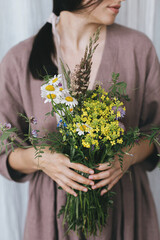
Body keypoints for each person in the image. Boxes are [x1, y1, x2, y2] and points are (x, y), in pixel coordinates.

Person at [0, 0, 160, 239]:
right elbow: (4, 148)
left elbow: (156, 130)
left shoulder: (138, 49)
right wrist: (42, 160)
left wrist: (126, 157)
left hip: (126, 213)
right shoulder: (18, 60)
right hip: (51, 218)